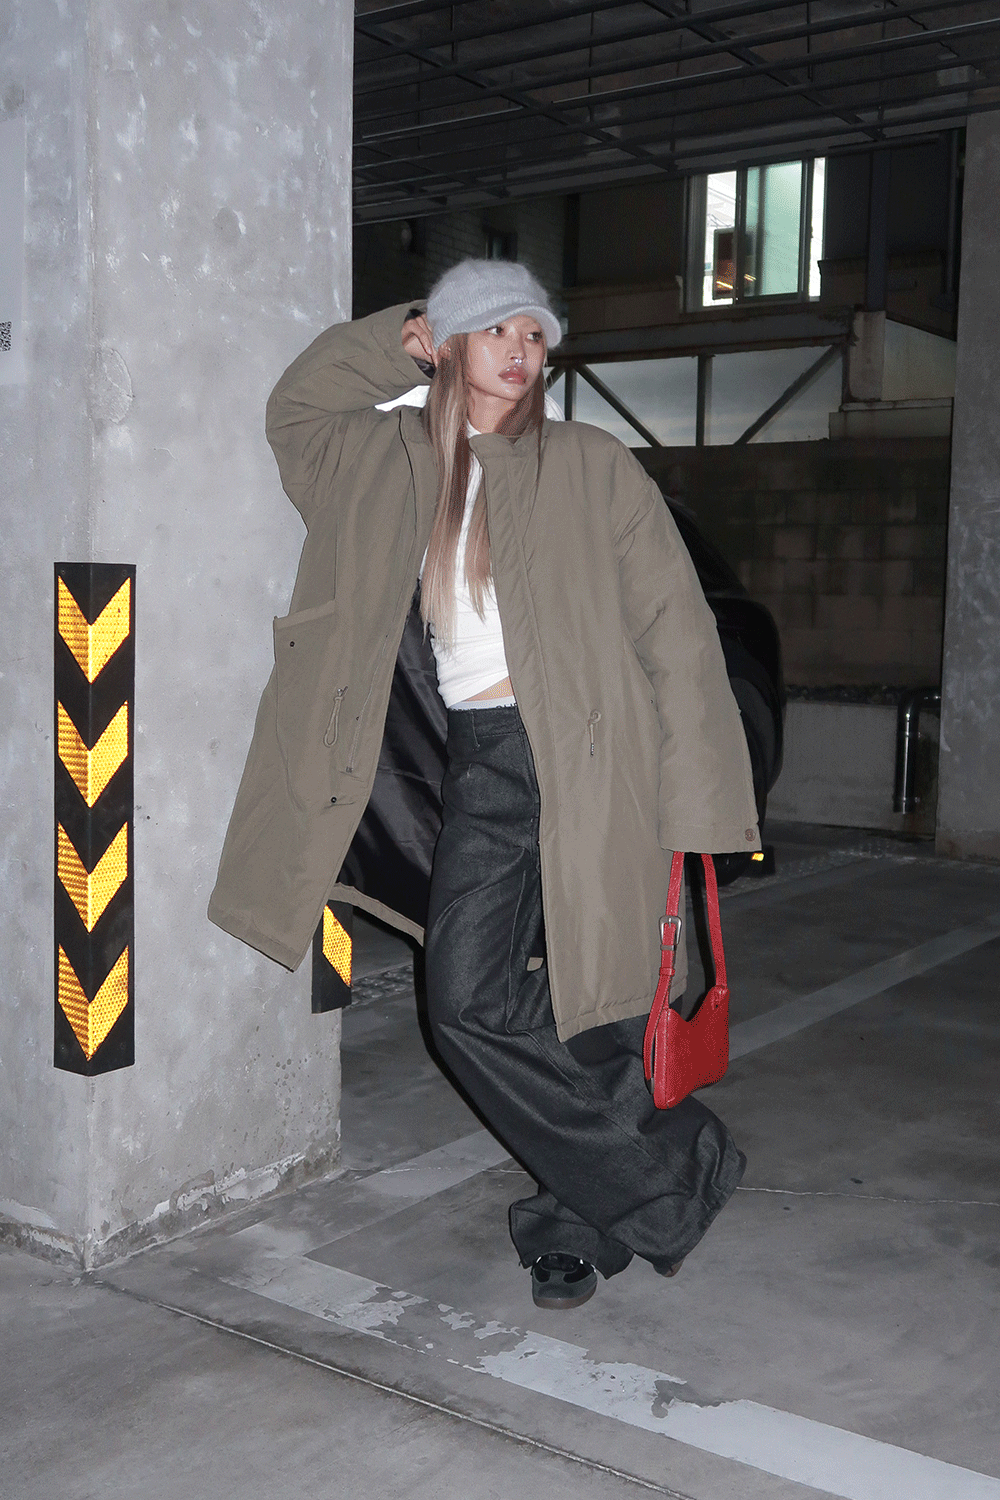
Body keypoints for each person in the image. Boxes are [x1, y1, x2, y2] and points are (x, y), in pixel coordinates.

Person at [209, 258, 760, 1310]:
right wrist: (393, 337)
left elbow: (676, 633)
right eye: (496, 328)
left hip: (595, 761)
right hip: (485, 760)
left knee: (595, 1001)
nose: (519, 349)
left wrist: (698, 800)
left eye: (535, 334)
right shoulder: (379, 461)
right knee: (467, 1001)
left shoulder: (592, 464)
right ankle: (674, 1169)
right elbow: (296, 408)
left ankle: (573, 1219)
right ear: (451, 341)